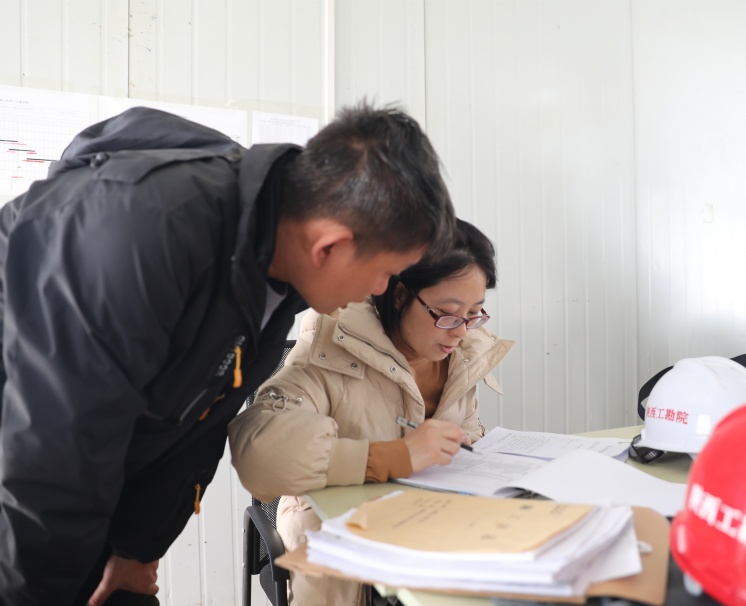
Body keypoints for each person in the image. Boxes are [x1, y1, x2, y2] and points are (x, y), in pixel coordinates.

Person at [0, 102, 455, 606]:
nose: (382, 289)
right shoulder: (141, 235)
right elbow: (54, 452)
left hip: (84, 497)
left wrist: (138, 547)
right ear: (329, 246)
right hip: (26, 492)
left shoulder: (273, 263)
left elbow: (199, 420)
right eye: (386, 272)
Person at [228, 219, 514, 606]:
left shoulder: (462, 351)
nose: (461, 331)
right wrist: (395, 457)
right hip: (345, 565)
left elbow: (467, 436)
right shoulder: (331, 341)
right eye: (447, 314)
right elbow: (260, 457)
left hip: (437, 539)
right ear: (400, 294)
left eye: (475, 313)